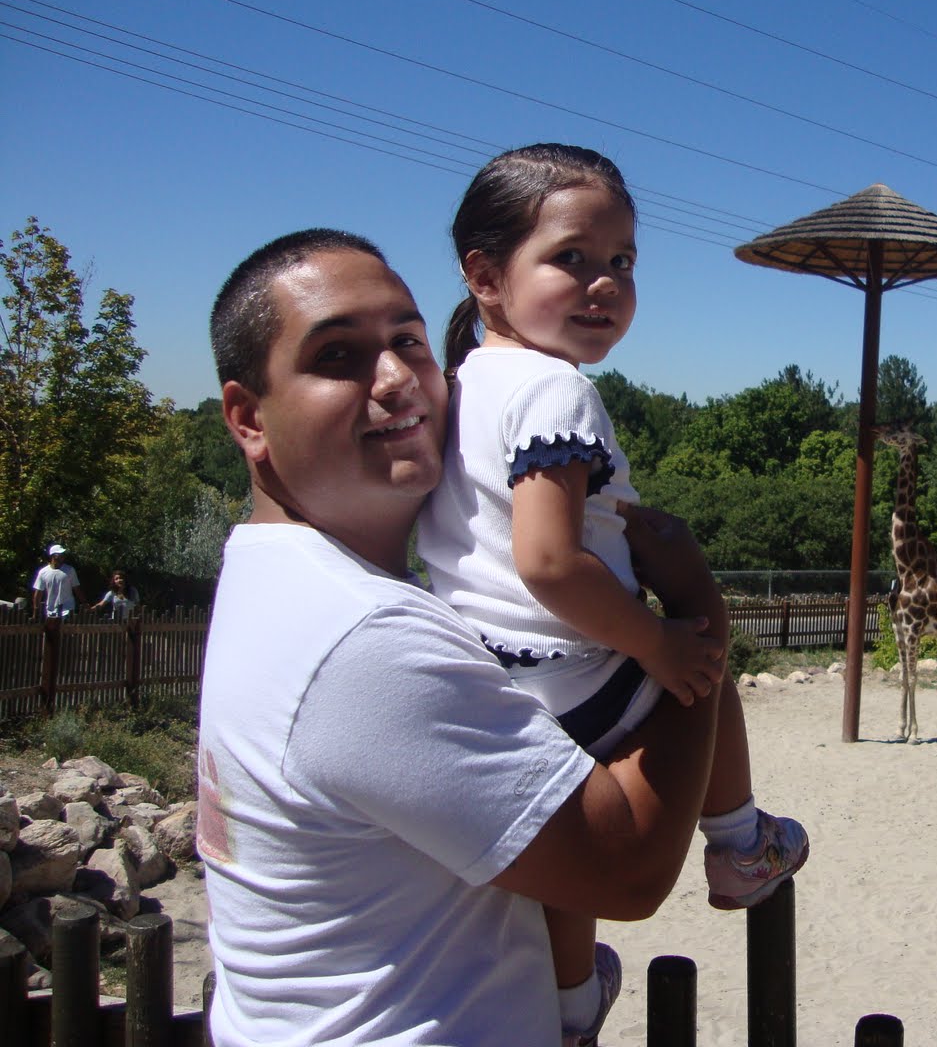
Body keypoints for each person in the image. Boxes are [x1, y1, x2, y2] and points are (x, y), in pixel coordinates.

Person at [201, 228, 726, 1045]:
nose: (395, 379)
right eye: (337, 356)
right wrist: (697, 618)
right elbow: (626, 869)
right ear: (248, 417)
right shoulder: (365, 637)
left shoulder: (272, 576)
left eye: (408, 342)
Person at [417, 144, 808, 1043]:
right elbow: (550, 563)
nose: (605, 285)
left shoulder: (461, 385)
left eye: (622, 262)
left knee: (568, 864)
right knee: (706, 675)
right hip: (577, 668)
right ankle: (741, 844)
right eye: (572, 258)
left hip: (493, 683)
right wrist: (655, 641)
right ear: (486, 275)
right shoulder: (556, 390)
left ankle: (569, 1011)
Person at [32, 544, 85, 619]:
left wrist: (84, 603)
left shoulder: (69, 570)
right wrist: (35, 611)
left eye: (62, 554)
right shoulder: (43, 572)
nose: (62, 556)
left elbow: (76, 588)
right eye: (59, 555)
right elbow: (38, 593)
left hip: (67, 609)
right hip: (50, 610)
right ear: (53, 556)